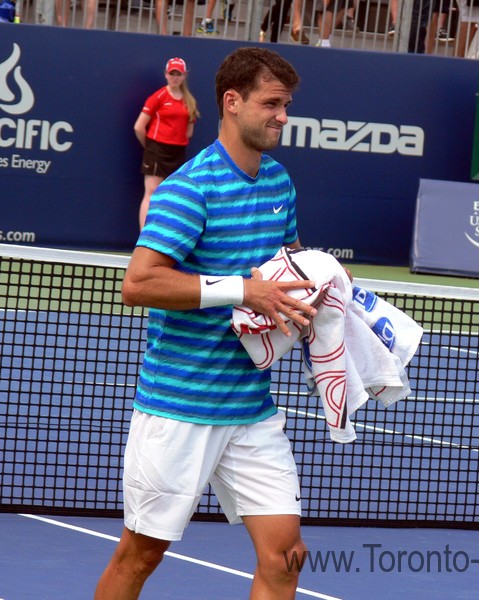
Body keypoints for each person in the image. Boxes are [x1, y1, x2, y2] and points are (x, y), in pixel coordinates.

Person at [94, 47, 317, 600]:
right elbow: (139, 284)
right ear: (232, 102)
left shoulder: (279, 184)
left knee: (286, 557)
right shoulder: (189, 189)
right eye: (271, 104)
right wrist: (244, 290)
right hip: (178, 409)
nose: (282, 118)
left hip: (251, 409)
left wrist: (327, 295)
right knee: (140, 556)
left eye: (286, 106)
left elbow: (289, 265)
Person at [133, 57, 200, 230]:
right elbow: (139, 127)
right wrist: (149, 149)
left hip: (178, 151)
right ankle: (144, 237)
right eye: (172, 73)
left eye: (178, 74)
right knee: (152, 193)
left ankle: (164, 237)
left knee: (173, 195)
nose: (175, 77)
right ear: (166, 74)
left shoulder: (189, 101)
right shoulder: (158, 97)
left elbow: (189, 131)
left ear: (184, 76)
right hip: (156, 149)